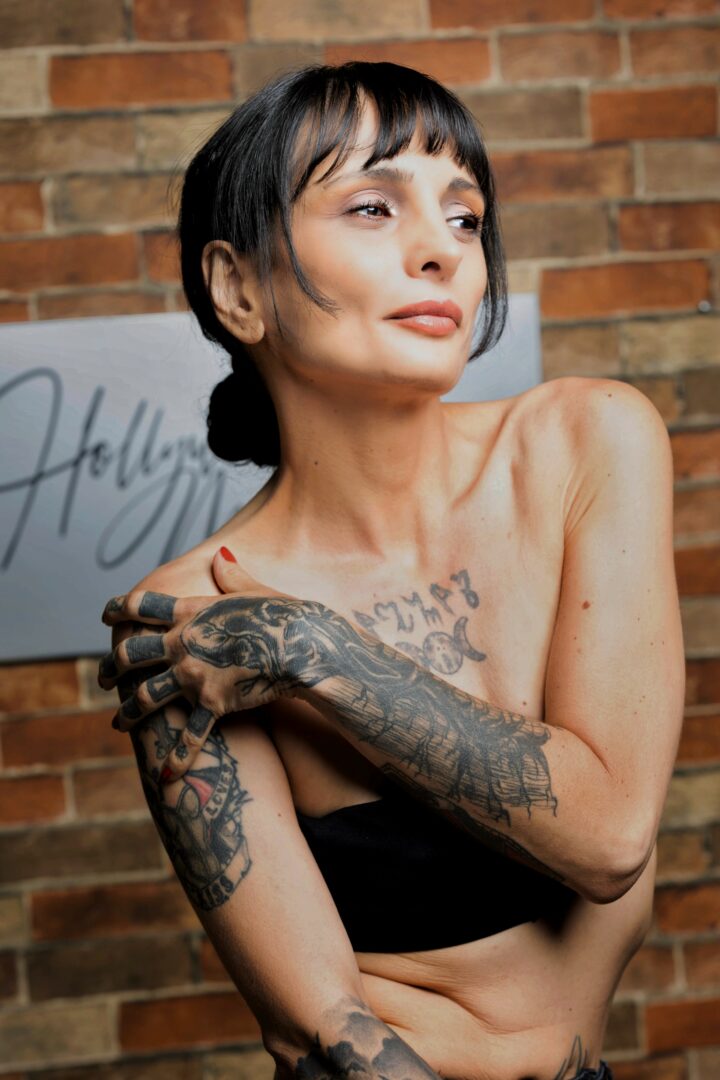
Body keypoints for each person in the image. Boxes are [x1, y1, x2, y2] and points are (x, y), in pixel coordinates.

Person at [97, 62, 685, 1080]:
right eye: (373, 207)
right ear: (239, 288)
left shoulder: (588, 444)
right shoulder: (187, 621)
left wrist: (312, 650)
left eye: (465, 218)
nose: (441, 251)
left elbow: (609, 838)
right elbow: (320, 1030)